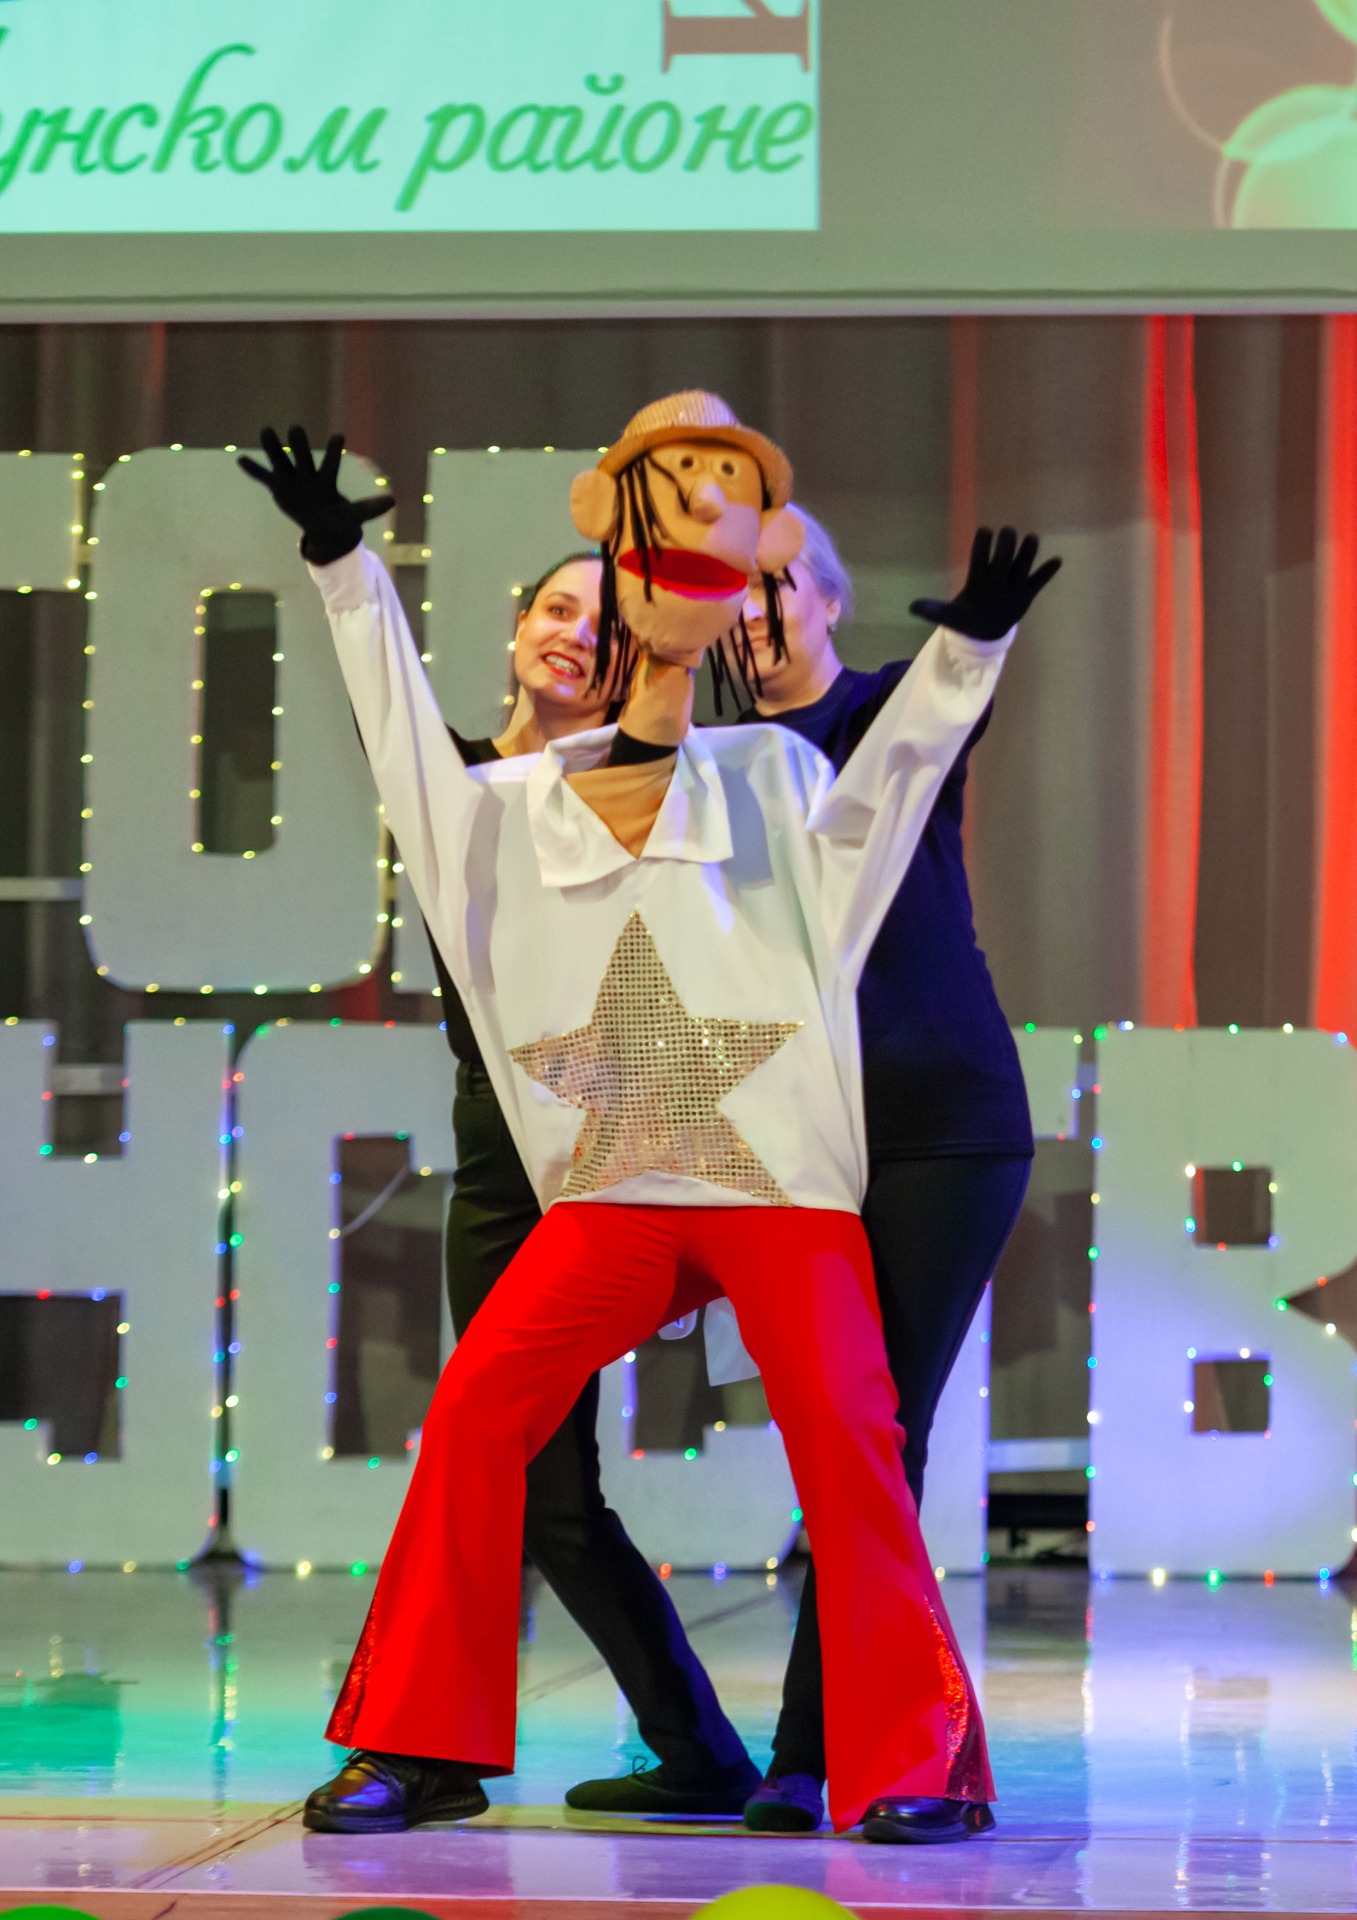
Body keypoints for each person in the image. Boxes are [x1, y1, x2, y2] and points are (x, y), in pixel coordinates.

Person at [239, 392, 1057, 1844]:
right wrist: (341, 568)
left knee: (853, 1438)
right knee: (476, 1413)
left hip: (779, 1191)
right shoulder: (500, 805)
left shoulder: (770, 776)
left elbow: (892, 792)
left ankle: (915, 1764)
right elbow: (393, 731)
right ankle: (416, 1747)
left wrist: (965, 656)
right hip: (612, 1196)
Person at [714, 510, 1037, 1834]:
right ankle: (803, 1750)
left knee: (876, 1440)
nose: (750, 607)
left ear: (829, 600)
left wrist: (977, 640)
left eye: (773, 581)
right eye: (725, 587)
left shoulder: (881, 714)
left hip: (940, 1124)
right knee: (837, 1441)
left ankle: (850, 1754)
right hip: (796, 1137)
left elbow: (945, 704)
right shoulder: (699, 759)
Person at [432, 552, 761, 1813]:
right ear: (517, 625)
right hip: (495, 1156)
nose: (572, 634)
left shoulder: (648, 787)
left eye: (603, 623)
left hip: (612, 1150)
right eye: (555, 609)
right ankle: (691, 1750)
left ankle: (432, 1748)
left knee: (524, 1473)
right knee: (540, 1488)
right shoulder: (448, 771)